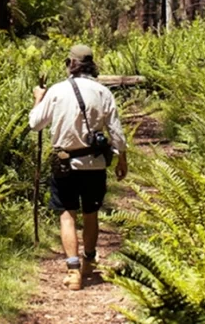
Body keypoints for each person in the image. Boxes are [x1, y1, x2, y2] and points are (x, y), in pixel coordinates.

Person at [29, 45, 128, 291]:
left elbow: (35, 124)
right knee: (91, 214)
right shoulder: (103, 92)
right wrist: (122, 158)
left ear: (69, 64)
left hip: (65, 164)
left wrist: (38, 99)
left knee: (67, 215)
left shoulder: (57, 90)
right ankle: (89, 261)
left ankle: (73, 272)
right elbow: (115, 130)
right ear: (91, 65)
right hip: (95, 164)